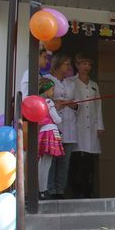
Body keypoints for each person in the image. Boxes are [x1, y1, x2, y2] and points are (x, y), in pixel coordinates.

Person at [70, 53, 104, 198]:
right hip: (76, 125)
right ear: (77, 65)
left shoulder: (94, 85)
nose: (86, 67)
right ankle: (77, 191)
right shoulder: (71, 82)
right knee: (77, 159)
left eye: (89, 64)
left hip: (92, 125)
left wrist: (100, 125)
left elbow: (98, 106)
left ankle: (88, 191)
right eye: (84, 64)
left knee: (90, 161)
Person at [46, 54, 78, 199]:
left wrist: (72, 104)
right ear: (57, 65)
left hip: (70, 124)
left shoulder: (71, 83)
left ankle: (60, 191)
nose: (69, 67)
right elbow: (44, 99)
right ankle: (50, 190)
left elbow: (78, 104)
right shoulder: (47, 79)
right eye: (66, 64)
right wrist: (56, 104)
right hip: (54, 124)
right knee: (52, 160)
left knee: (65, 162)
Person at [37, 78, 64, 200]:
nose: (53, 92)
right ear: (46, 90)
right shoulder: (48, 102)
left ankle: (40, 189)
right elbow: (57, 120)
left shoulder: (39, 102)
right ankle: (43, 190)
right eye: (52, 89)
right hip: (50, 132)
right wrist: (57, 109)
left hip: (42, 132)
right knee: (46, 164)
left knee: (41, 163)